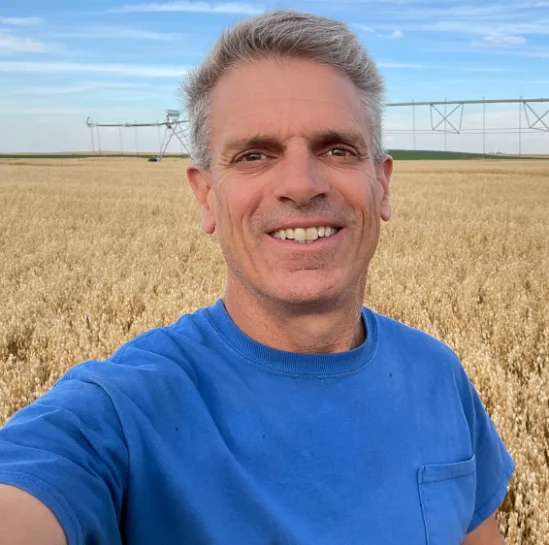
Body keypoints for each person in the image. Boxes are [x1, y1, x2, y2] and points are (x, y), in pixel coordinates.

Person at [0, 9, 515, 545]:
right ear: (206, 197)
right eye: (254, 155)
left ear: (382, 185)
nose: (300, 184)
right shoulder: (121, 412)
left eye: (336, 149)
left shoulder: (437, 375)